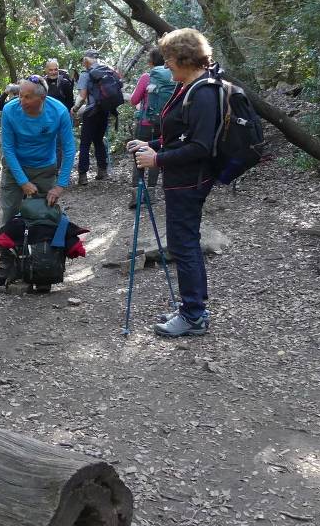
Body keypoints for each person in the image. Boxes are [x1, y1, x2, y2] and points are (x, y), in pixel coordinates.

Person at [126, 28, 220, 338]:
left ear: (185, 58)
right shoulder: (187, 87)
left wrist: (158, 160)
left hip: (190, 180)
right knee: (183, 243)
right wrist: (150, 143)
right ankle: (191, 309)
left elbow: (202, 146)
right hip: (181, 178)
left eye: (169, 59)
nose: (167, 66)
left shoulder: (204, 92)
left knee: (185, 244)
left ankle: (194, 314)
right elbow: (181, 136)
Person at [0, 77, 77, 226]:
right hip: (15, 166)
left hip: (44, 167)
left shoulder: (59, 112)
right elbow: (7, 148)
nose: (21, 101)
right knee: (10, 212)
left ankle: (43, 248)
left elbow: (69, 149)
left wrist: (60, 186)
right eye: (20, 95)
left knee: (45, 213)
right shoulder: (10, 110)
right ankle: (7, 248)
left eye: (27, 97)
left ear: (42, 98)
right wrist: (23, 182)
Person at [127, 47, 175, 208]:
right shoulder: (173, 77)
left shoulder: (147, 77)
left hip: (145, 123)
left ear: (151, 62)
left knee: (138, 155)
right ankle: (152, 193)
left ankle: (136, 195)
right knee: (155, 155)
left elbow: (134, 100)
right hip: (164, 123)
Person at [71, 49, 112, 184]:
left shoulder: (85, 74)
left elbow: (82, 97)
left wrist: (75, 109)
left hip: (91, 112)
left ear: (86, 60)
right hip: (105, 110)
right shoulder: (107, 70)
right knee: (99, 140)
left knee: (85, 144)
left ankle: (83, 176)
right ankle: (103, 171)